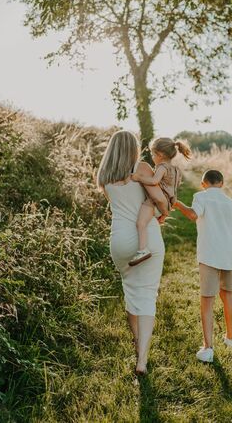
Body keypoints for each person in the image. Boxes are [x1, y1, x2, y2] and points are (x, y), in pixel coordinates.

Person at [97, 130, 169, 375]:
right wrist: (162, 213)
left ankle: (137, 345)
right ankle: (142, 360)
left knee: (131, 291)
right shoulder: (142, 168)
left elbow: (119, 205)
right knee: (147, 295)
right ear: (134, 149)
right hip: (146, 238)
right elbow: (159, 198)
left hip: (119, 240)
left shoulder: (104, 176)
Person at [174, 169, 232, 363]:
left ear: (203, 184)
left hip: (210, 254)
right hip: (230, 254)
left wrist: (178, 204)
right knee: (227, 294)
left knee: (207, 299)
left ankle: (208, 348)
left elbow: (194, 215)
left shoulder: (201, 197)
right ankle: (230, 339)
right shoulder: (231, 203)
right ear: (221, 183)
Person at [128, 137, 191, 266]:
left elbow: (154, 181)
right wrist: (165, 211)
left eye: (152, 154)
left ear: (160, 155)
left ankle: (142, 250)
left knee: (140, 223)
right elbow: (174, 188)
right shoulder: (176, 170)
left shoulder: (162, 167)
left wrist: (138, 177)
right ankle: (161, 218)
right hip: (169, 202)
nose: (152, 157)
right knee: (150, 223)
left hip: (154, 202)